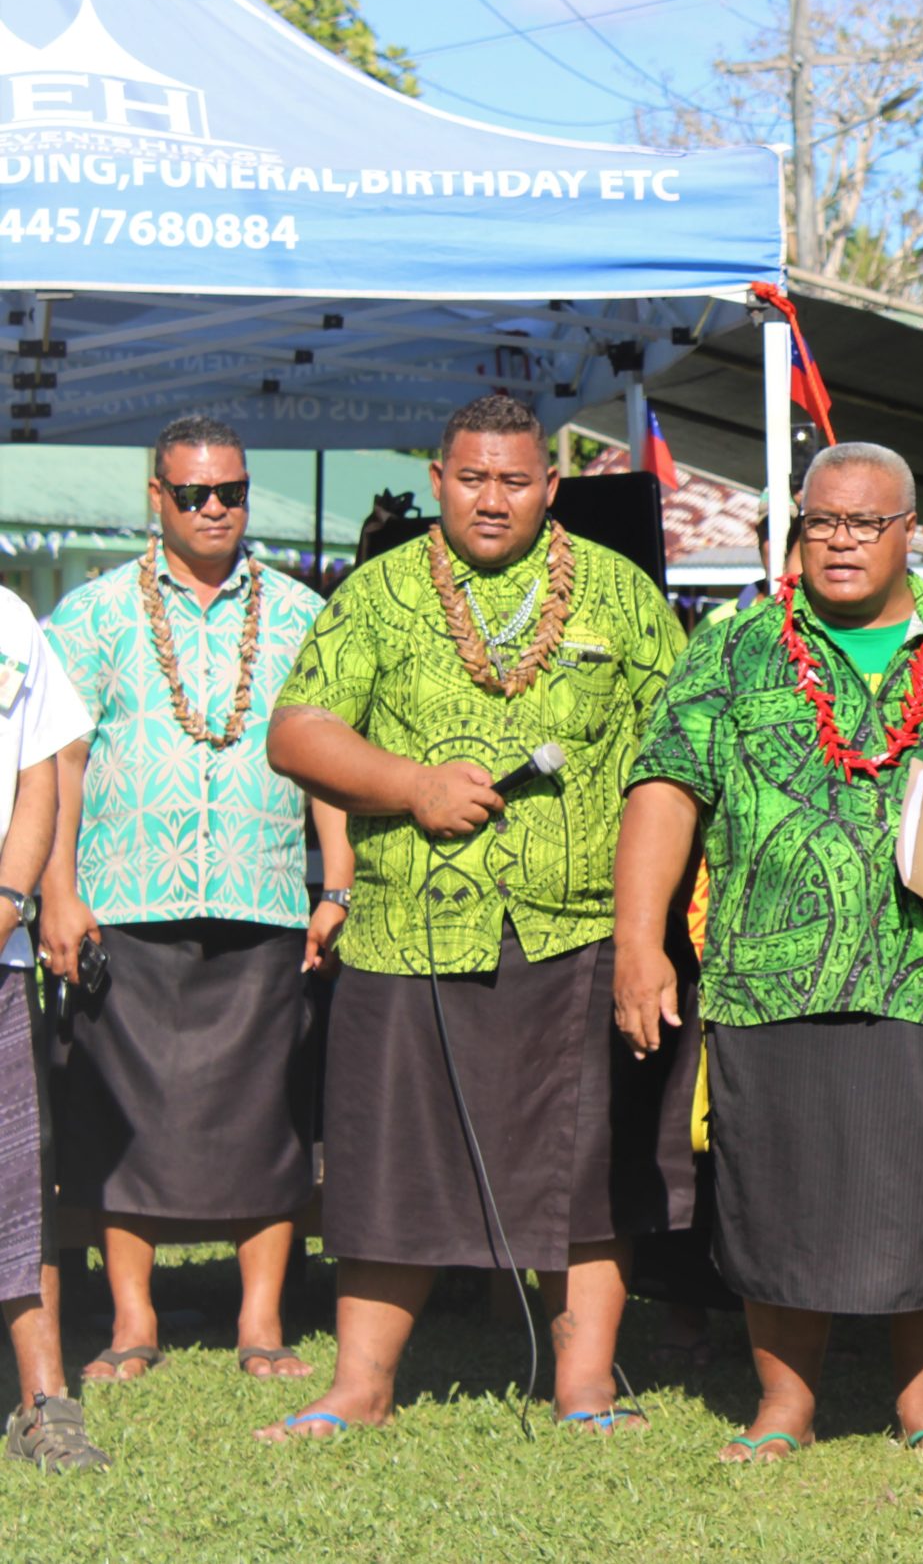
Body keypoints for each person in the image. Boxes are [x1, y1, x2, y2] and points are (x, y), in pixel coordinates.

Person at [617, 441, 923, 1464]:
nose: (839, 542)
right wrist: (638, 942)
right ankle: (784, 1403)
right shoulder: (734, 649)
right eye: (820, 521)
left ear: (909, 530)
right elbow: (665, 789)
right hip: (768, 978)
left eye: (864, 524)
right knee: (775, 1191)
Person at [257, 392, 696, 1441]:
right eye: (470, 478)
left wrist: (653, 933)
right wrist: (409, 784)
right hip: (413, 926)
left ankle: (584, 1384)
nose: (490, 500)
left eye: (513, 480)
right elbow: (298, 730)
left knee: (585, 1161)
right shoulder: (379, 592)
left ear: (550, 485)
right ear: (437, 478)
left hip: (579, 923)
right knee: (386, 1161)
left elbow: (675, 761)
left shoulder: (622, 596)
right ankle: (361, 1384)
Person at [36, 415, 346, 1388]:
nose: (215, 509)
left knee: (267, 1114)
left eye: (232, 492)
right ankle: (135, 1321)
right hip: (124, 897)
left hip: (261, 894)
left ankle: (262, 1322)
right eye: (193, 494)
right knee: (123, 1115)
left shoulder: (304, 613)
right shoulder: (90, 614)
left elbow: (329, 760)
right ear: (155, 498)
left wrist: (334, 882)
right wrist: (58, 891)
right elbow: (58, 762)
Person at [0, 588, 108, 1470]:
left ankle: (45, 1400)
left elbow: (40, 767)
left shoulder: (7, 619)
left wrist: (8, 901)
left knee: (13, 1185)